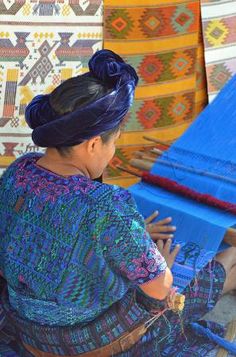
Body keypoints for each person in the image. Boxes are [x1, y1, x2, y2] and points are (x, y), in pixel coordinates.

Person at [0, 49, 235, 357]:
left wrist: (129, 236)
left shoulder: (18, 172)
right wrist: (157, 260)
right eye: (114, 143)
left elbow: (52, 241)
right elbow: (159, 289)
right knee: (227, 260)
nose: (112, 155)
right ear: (94, 143)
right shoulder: (104, 204)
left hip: (28, 332)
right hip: (90, 343)